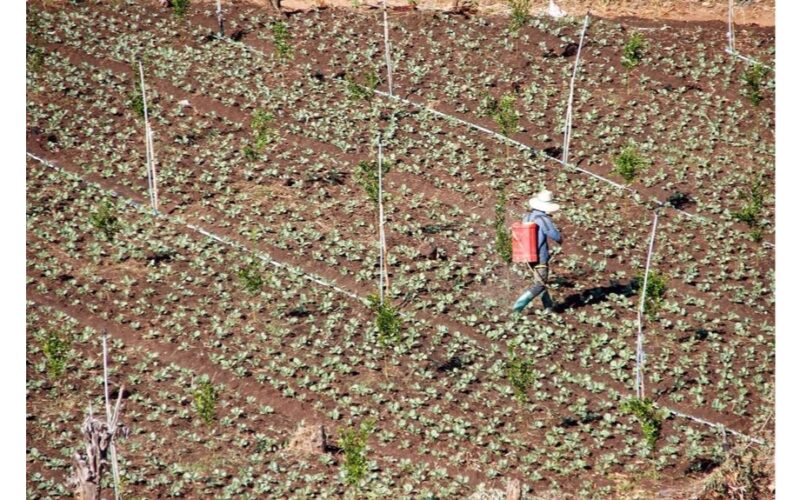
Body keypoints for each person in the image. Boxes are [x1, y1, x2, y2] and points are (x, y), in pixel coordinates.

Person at [512, 189, 562, 313]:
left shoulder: (527, 217)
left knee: (540, 280)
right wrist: (560, 240)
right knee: (540, 285)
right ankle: (517, 307)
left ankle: (548, 307)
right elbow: (554, 235)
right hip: (540, 255)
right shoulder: (543, 219)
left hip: (528, 254)